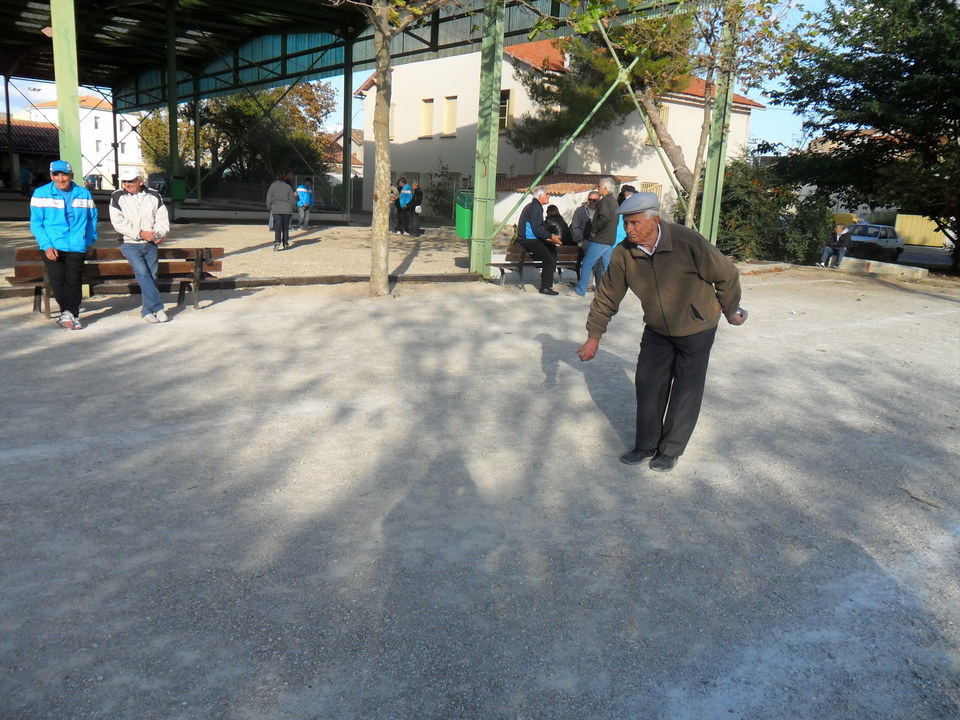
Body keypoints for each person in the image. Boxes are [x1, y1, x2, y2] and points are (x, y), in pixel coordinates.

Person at [576, 192, 747, 472]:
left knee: (685, 391)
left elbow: (726, 273)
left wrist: (730, 309)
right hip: (657, 329)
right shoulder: (624, 253)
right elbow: (607, 296)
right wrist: (594, 336)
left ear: (654, 220)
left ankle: (669, 451)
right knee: (648, 385)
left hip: (696, 327)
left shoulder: (686, 241)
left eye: (634, 223)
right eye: (626, 223)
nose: (629, 229)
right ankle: (646, 445)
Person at [29, 160, 98, 330]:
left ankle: (72, 314)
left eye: (64, 175)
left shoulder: (84, 194)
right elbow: (36, 223)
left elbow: (92, 220)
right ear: (51, 176)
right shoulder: (40, 194)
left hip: (76, 246)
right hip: (53, 246)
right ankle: (67, 313)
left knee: (74, 281)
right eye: (57, 175)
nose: (61, 178)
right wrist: (46, 245)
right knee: (58, 281)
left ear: (71, 176)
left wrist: (89, 241)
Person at [109, 172, 171, 323]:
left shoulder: (154, 195)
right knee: (143, 273)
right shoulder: (117, 196)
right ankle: (158, 307)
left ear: (140, 181)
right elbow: (118, 222)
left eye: (130, 181)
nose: (127, 184)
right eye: (124, 181)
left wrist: (160, 233)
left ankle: (147, 310)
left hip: (150, 242)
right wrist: (140, 233)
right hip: (129, 243)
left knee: (152, 276)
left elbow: (161, 217)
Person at [574, 176, 619, 297]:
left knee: (587, 263)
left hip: (600, 239)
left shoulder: (604, 201)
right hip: (609, 238)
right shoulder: (614, 202)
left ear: (605, 188)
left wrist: (594, 230)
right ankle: (608, 291)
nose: (598, 188)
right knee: (607, 266)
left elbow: (604, 218)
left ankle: (580, 290)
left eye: (599, 186)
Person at [517, 186, 562, 295]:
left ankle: (547, 279)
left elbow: (538, 228)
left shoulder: (533, 206)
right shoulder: (536, 207)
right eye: (547, 194)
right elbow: (536, 229)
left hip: (530, 238)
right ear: (540, 196)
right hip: (529, 239)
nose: (549, 196)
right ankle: (545, 288)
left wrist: (550, 237)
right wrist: (551, 237)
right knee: (549, 260)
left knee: (552, 248)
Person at [571, 191, 601, 289]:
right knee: (590, 259)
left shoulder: (601, 211)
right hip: (585, 240)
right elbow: (574, 226)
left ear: (598, 201)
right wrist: (580, 240)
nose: (591, 202)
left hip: (598, 241)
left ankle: (599, 285)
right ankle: (587, 284)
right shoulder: (580, 211)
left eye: (594, 200)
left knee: (599, 261)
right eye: (590, 199)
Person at [266, 171, 297, 251]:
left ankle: (277, 242)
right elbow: (292, 199)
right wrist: (293, 207)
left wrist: (269, 207)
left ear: (277, 178)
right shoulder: (288, 187)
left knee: (278, 226)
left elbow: (269, 197)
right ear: (284, 178)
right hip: (287, 209)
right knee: (285, 227)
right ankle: (285, 243)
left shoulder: (272, 186)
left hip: (276, 209)